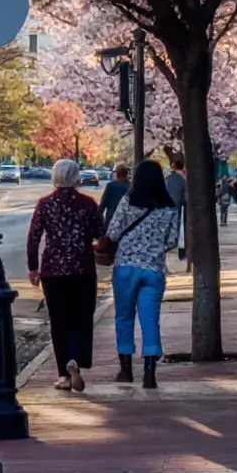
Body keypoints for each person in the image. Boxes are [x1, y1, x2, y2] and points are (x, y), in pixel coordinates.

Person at [26, 158, 105, 393]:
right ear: (77, 177)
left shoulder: (45, 204)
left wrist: (33, 268)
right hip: (83, 270)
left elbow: (33, 238)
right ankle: (76, 360)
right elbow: (101, 234)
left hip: (53, 273)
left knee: (59, 322)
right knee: (81, 319)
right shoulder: (88, 204)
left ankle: (64, 374)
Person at [105, 157, 184, 387]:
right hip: (153, 270)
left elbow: (113, 231)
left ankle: (126, 370)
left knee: (124, 317)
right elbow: (171, 241)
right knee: (150, 321)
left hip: (126, 268)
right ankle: (150, 374)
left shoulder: (128, 201)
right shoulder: (169, 207)